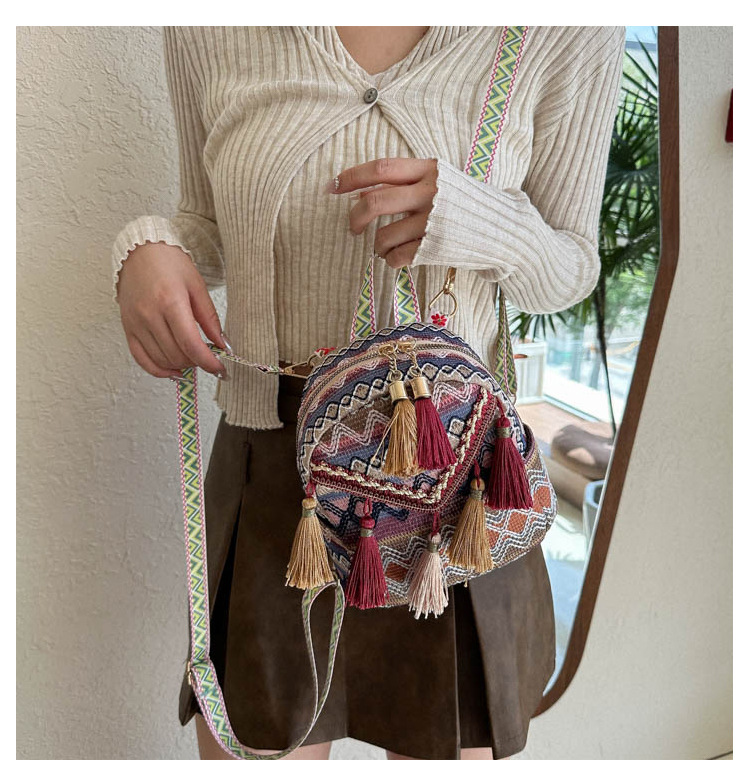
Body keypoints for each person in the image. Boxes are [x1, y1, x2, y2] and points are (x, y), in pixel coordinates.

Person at [112, 26, 626, 760]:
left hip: (455, 483)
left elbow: (571, 266)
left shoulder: (562, 26)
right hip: (276, 477)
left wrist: (480, 222)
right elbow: (212, 224)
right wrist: (149, 247)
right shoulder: (209, 24)